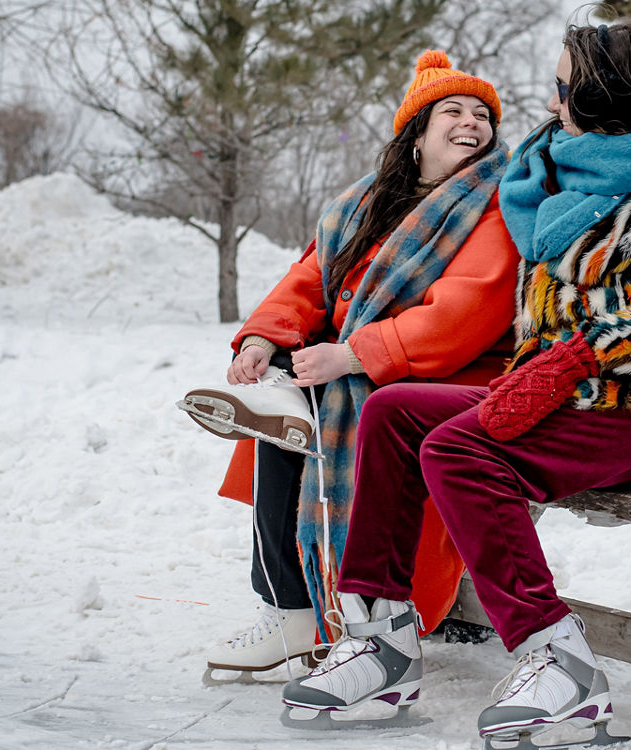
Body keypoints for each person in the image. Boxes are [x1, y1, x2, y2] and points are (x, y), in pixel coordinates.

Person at [279, 18, 631, 747]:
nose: (553, 99)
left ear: (601, 90)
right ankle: (383, 637)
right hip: (551, 390)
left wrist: (579, 358)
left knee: (459, 449)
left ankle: (557, 655)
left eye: (564, 84)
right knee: (396, 412)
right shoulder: (545, 177)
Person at [200, 50, 519, 678]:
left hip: (449, 373)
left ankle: (325, 611)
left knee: (314, 402)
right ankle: (290, 605)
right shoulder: (367, 203)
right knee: (284, 407)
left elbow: (466, 312)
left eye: (482, 113)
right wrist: (266, 337)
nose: (472, 122)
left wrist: (352, 354)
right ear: (416, 132)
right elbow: (312, 276)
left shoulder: (496, 203)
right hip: (360, 366)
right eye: (452, 110)